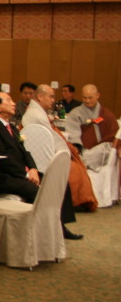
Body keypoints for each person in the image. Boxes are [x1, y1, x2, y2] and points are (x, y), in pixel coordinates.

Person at [0, 92, 81, 240]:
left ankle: (59, 226)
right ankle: (40, 234)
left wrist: (32, 168)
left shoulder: (11, 127)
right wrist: (25, 174)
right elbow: (1, 158)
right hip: (4, 177)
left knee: (59, 183)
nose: (14, 103)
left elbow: (25, 152)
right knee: (40, 192)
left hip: (20, 173)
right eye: (8, 100)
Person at [22, 84, 97, 212]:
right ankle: (77, 203)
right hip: (42, 157)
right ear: (40, 97)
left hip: (43, 152)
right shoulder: (36, 114)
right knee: (76, 169)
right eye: (51, 97)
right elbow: (51, 138)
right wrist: (67, 151)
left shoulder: (37, 111)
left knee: (75, 164)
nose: (53, 100)